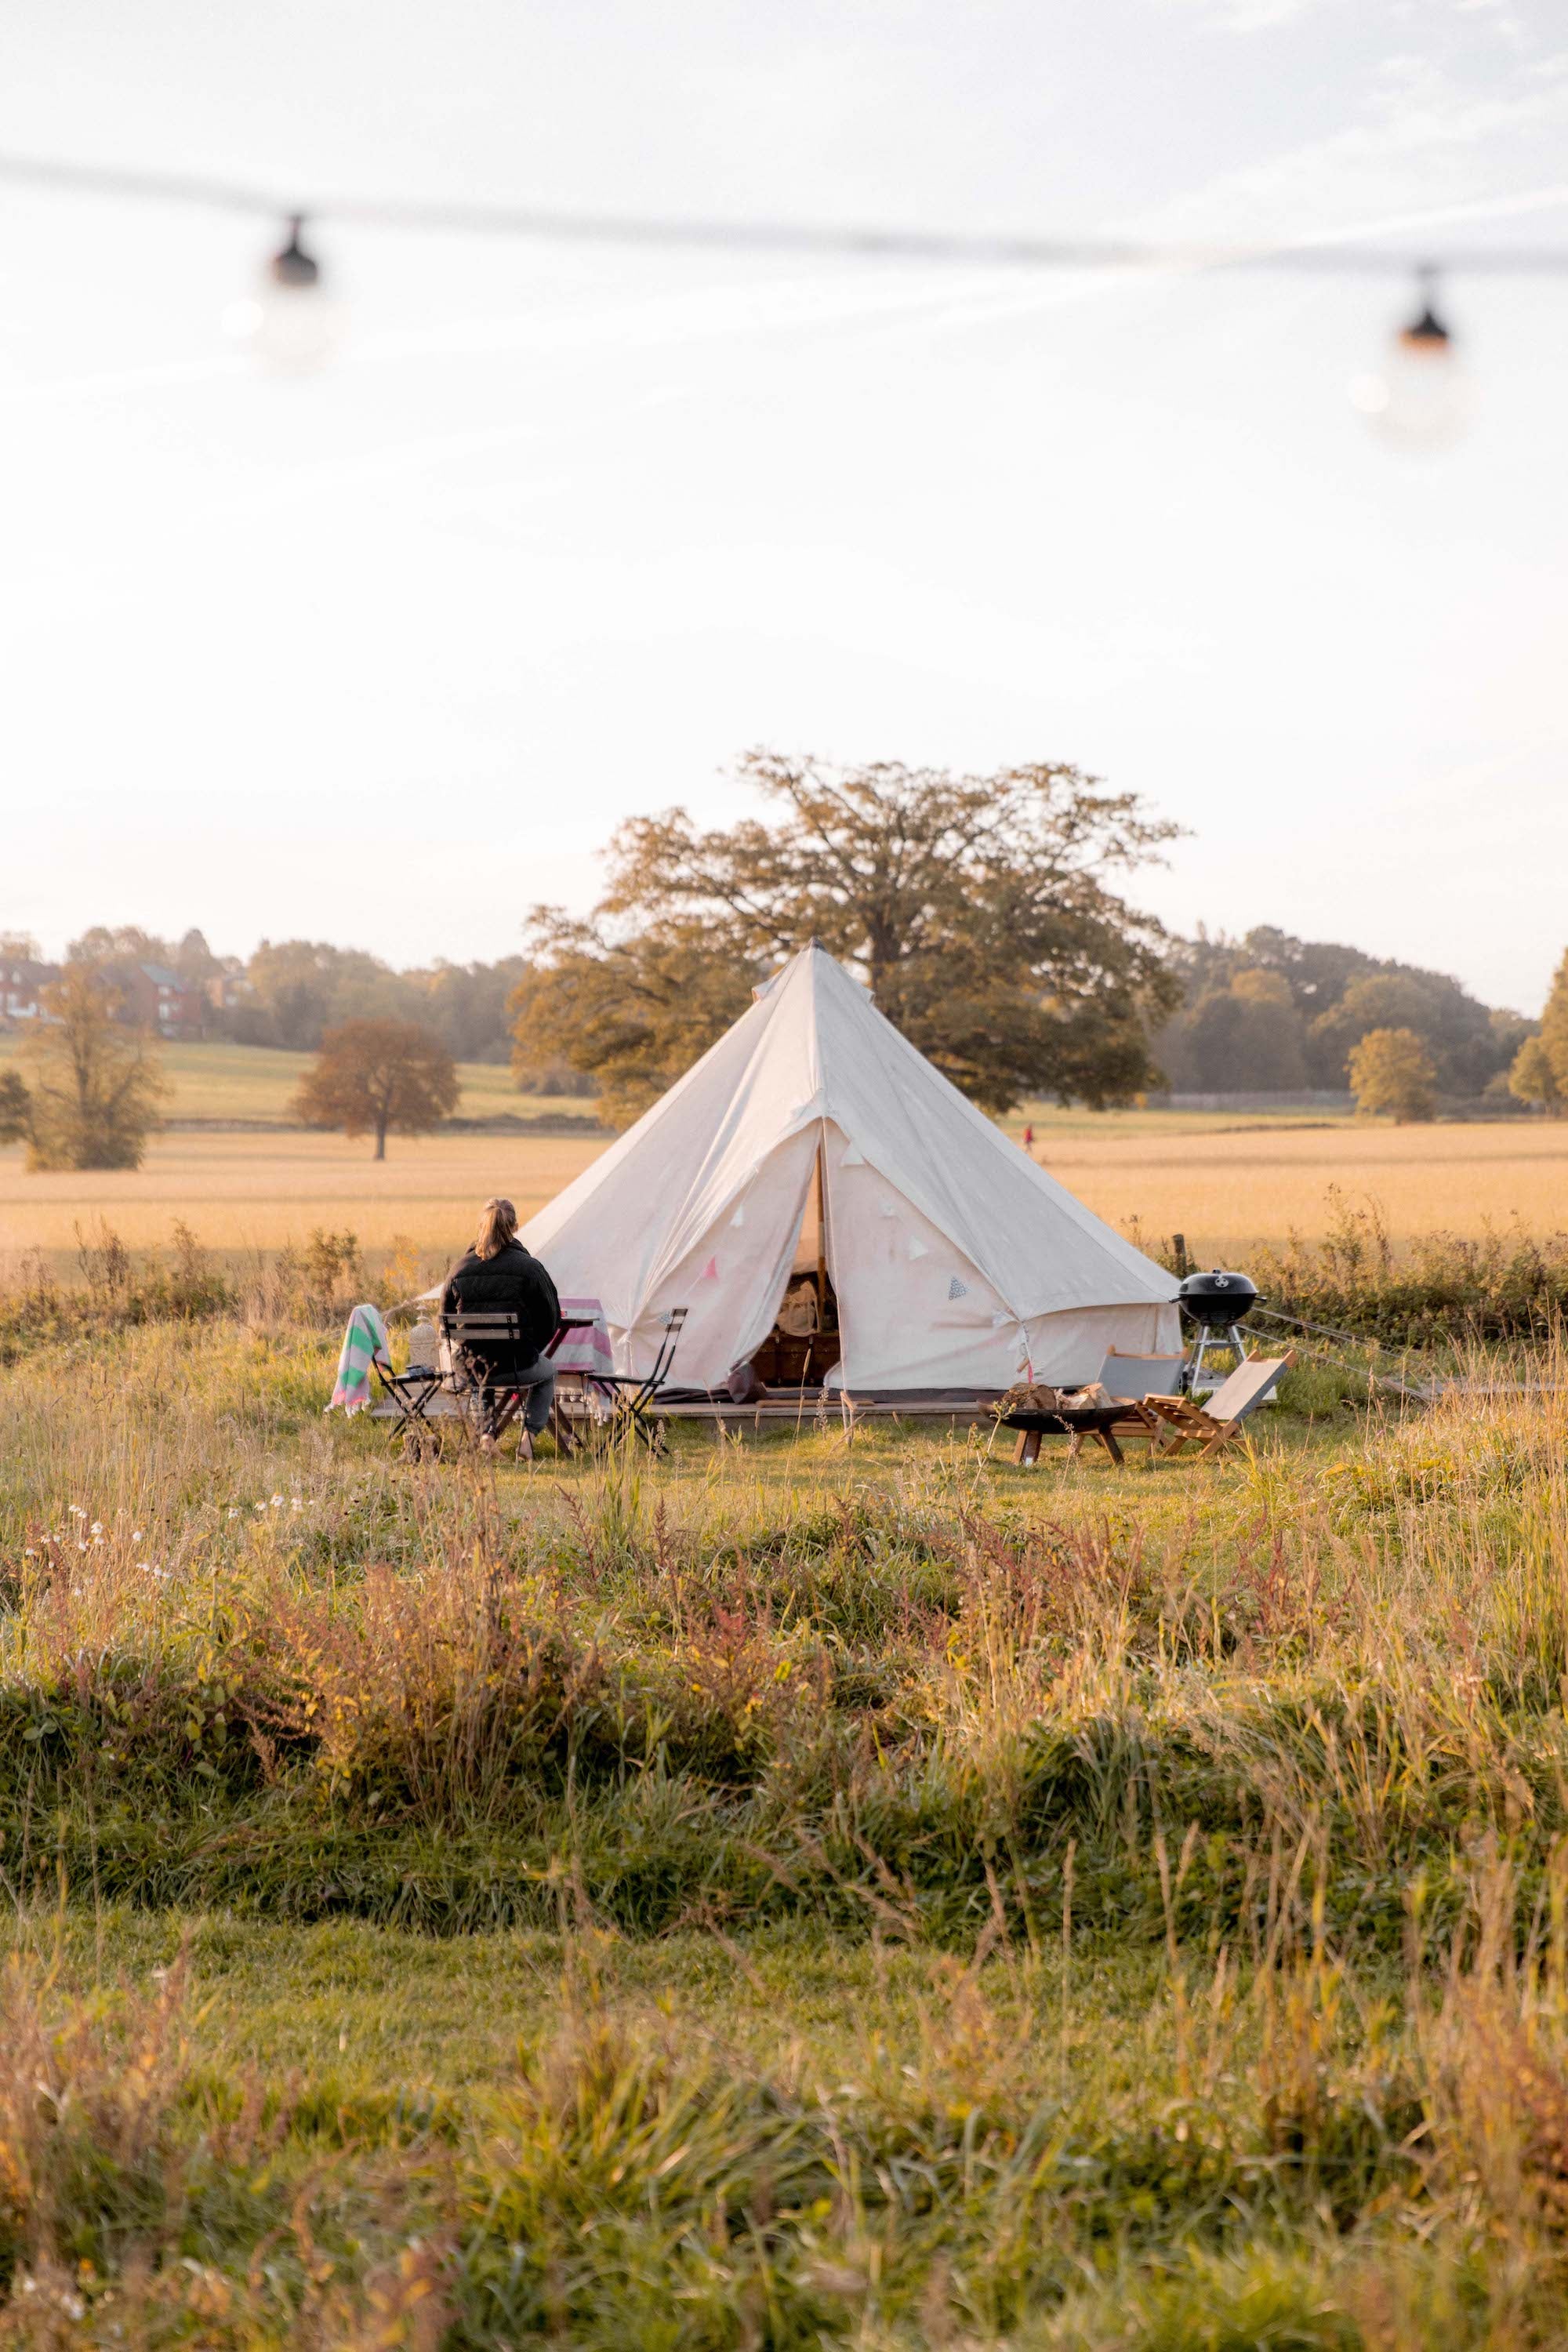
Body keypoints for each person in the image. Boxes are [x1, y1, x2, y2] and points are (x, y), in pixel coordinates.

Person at [441, 1197, 561, 1456]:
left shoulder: (458, 1269)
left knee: (478, 1374)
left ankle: (486, 1435)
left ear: (481, 1227)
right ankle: (528, 1440)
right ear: (515, 1227)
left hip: (473, 1367)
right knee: (548, 1372)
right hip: (517, 1366)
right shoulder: (530, 1268)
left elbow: (446, 1322)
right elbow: (551, 1318)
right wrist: (530, 1349)